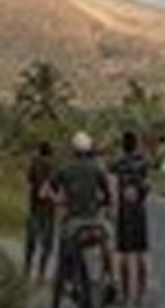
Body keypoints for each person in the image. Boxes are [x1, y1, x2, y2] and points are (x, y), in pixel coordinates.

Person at [47, 131, 113, 308]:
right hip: (95, 220)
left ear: (73, 150)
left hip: (74, 221)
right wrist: (103, 204)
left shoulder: (65, 168)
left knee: (63, 253)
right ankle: (112, 279)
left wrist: (58, 200)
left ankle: (63, 285)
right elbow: (108, 194)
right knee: (108, 243)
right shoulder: (96, 168)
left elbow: (47, 190)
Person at [110, 130, 150, 306]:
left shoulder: (116, 164)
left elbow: (112, 188)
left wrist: (112, 208)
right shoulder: (143, 163)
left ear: (122, 145)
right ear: (136, 144)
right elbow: (147, 186)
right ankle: (139, 294)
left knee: (124, 254)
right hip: (139, 212)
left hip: (123, 213)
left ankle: (126, 295)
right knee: (140, 253)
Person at [24, 141, 57, 284]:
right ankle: (41, 274)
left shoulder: (34, 163)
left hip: (35, 206)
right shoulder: (54, 166)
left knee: (31, 241)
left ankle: (27, 270)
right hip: (49, 208)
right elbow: (57, 185)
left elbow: (29, 180)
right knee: (47, 243)